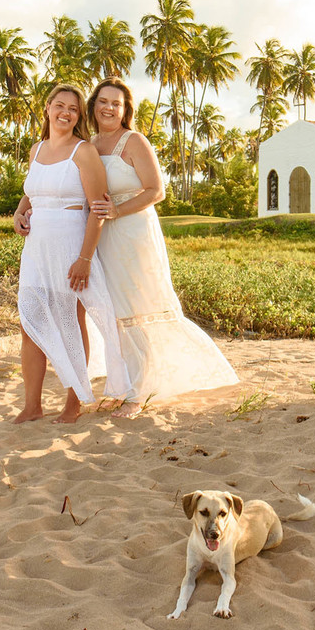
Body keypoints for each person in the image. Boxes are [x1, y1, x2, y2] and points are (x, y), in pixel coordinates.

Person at [87, 77, 238, 418]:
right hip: (103, 236)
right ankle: (121, 386)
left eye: (117, 103)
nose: (109, 108)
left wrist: (117, 210)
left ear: (125, 111)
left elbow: (156, 190)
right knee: (114, 313)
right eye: (103, 101)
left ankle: (139, 393)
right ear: (93, 106)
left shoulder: (134, 140)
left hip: (133, 231)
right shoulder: (90, 144)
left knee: (138, 306)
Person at [12, 84, 130, 424]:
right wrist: (18, 214)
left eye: (73, 109)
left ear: (79, 116)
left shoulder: (83, 151)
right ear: (47, 107)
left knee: (71, 322)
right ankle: (32, 405)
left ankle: (74, 402)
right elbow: (32, 194)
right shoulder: (36, 150)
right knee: (30, 324)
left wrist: (85, 258)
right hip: (35, 251)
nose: (65, 113)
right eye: (60, 105)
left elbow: (98, 208)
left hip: (71, 246)